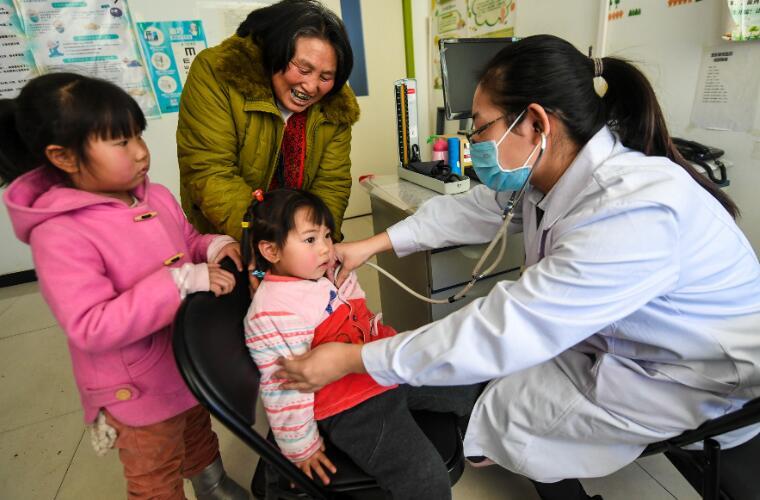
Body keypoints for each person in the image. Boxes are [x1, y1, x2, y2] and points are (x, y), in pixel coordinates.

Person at [274, 35, 760, 500]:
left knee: (503, 413)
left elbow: (505, 328)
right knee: (497, 391)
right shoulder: (552, 172)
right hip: (623, 343)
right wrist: (371, 245)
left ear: (535, 123)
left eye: (480, 128)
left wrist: (353, 359)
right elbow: (472, 209)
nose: (474, 143)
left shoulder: (631, 211)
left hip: (692, 378)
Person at [1, 73, 248, 500]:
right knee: (155, 470)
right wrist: (181, 283)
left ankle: (213, 485)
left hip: (186, 362)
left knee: (196, 431)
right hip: (136, 390)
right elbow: (90, 325)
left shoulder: (155, 196)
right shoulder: (60, 233)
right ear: (63, 156)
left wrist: (212, 246)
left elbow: (186, 240)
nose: (139, 151)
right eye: (120, 141)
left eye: (138, 135)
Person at [242, 188, 481, 499]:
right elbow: (283, 387)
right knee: (425, 478)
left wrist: (341, 279)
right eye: (310, 239)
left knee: (469, 383)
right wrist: (301, 447)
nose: (325, 248)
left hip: (382, 366)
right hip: (353, 404)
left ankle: (481, 445)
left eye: (327, 236)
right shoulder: (273, 310)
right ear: (271, 251)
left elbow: (358, 315)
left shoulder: (322, 274)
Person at [177, 0, 360, 248]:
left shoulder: (336, 105)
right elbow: (210, 171)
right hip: (232, 238)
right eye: (303, 69)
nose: (311, 86)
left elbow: (331, 183)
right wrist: (270, 243)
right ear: (274, 51)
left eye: (325, 77)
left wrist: (320, 243)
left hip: (299, 245)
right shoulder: (217, 72)